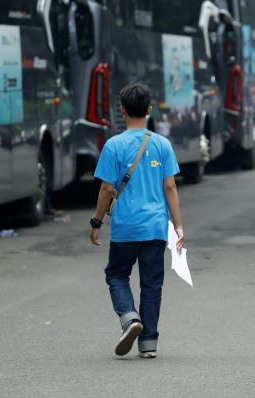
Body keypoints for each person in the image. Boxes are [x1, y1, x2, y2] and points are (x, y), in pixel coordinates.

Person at [89, 81, 184, 359]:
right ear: (150, 109)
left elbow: (107, 189)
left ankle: (130, 318)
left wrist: (96, 223)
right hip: (155, 227)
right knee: (152, 284)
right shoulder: (163, 145)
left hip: (125, 228)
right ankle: (148, 343)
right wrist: (178, 226)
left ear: (122, 110)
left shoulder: (113, 145)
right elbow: (170, 187)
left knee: (117, 274)